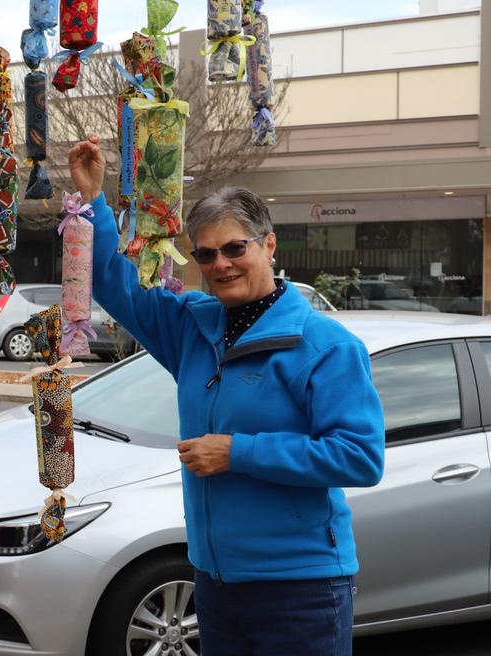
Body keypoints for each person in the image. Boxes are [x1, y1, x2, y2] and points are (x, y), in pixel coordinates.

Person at [68, 134, 385, 655]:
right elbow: (111, 282)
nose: (221, 264)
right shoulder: (192, 325)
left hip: (299, 584)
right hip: (213, 581)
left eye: (236, 248)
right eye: (207, 253)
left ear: (268, 244)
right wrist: (93, 199)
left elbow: (359, 457)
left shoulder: (325, 346)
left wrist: (237, 452)